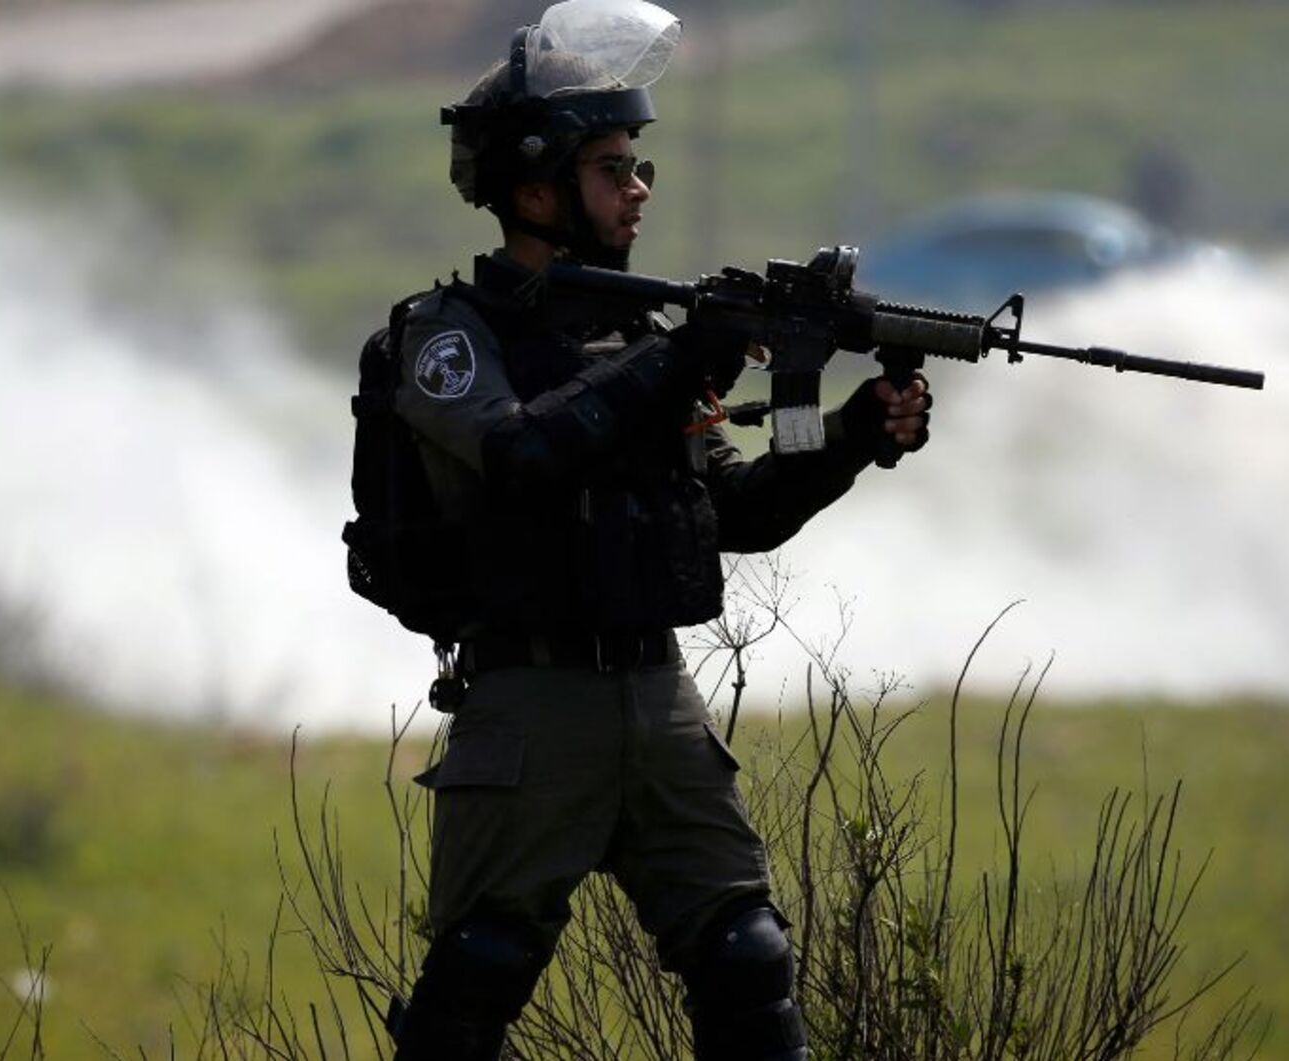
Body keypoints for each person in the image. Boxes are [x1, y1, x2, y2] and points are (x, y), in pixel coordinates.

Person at [384, 2, 929, 1058]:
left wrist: (855, 435)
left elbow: (738, 513)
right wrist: (683, 354)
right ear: (534, 190)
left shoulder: (638, 337)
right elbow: (521, 451)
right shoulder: (447, 336)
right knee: (481, 970)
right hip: (530, 700)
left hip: (656, 690)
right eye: (612, 168)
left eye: (641, 167)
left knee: (746, 954)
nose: (639, 188)